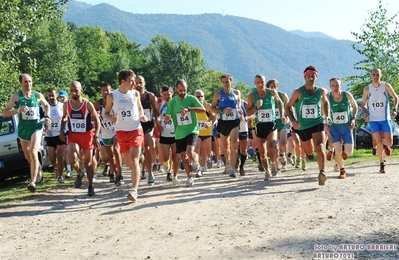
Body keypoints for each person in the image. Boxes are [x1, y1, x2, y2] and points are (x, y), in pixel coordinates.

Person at [2, 74, 51, 192]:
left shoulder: (37, 95)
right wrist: (18, 110)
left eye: (30, 81)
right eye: (25, 82)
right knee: (28, 156)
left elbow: (47, 105)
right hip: (24, 129)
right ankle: (37, 167)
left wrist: (47, 116)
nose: (28, 84)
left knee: (34, 152)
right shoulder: (16, 96)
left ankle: (33, 182)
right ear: (20, 83)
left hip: (36, 127)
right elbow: (4, 113)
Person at [104, 69, 147, 202]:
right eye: (131, 81)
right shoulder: (112, 96)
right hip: (121, 132)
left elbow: (139, 107)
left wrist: (142, 116)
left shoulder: (135, 94)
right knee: (128, 162)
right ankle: (139, 159)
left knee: (133, 161)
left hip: (135, 129)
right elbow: (105, 113)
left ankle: (134, 191)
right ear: (123, 81)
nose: (134, 84)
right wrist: (112, 119)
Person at [286, 65, 330, 186]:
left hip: (317, 122)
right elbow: (288, 107)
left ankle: (322, 172)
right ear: (305, 77)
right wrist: (294, 121)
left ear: (316, 76)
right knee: (309, 151)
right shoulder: (298, 92)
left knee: (320, 147)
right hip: (303, 126)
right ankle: (309, 155)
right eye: (309, 76)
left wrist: (327, 115)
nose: (311, 78)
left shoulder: (321, 91)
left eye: (313, 76)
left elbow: (326, 102)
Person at [60, 81, 101, 196]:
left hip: (87, 135)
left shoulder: (87, 104)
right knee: (72, 157)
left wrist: (96, 135)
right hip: (73, 135)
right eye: (72, 90)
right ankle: (79, 172)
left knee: (88, 163)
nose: (74, 92)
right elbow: (64, 118)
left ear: (81, 90)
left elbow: (97, 120)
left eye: (76, 90)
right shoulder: (66, 105)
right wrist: (61, 130)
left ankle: (90, 185)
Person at [164, 79, 206, 187]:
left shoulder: (191, 98)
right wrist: (167, 118)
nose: (183, 92)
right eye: (180, 90)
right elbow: (167, 116)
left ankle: (195, 158)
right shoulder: (173, 102)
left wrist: (189, 109)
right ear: (176, 89)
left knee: (189, 152)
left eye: (185, 90)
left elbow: (203, 109)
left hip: (192, 130)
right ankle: (189, 177)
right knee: (183, 157)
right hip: (179, 133)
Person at [247, 74, 284, 179]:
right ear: (255, 83)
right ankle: (267, 170)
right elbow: (248, 113)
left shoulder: (271, 92)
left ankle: (273, 164)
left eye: (262, 82)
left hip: (271, 123)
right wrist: (256, 107)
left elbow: (280, 103)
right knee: (262, 153)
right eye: (258, 82)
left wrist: (282, 115)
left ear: (265, 82)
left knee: (272, 145)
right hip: (259, 125)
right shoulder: (252, 96)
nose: (260, 84)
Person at [361, 68, 398, 173]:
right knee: (378, 142)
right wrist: (365, 113)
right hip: (373, 120)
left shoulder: (386, 86)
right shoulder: (367, 89)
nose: (375, 76)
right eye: (374, 74)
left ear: (381, 75)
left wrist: (394, 109)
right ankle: (382, 165)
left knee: (389, 142)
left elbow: (396, 98)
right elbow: (363, 104)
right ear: (371, 76)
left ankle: (387, 146)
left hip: (385, 119)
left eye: (377, 74)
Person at [210, 74, 242, 178]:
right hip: (223, 122)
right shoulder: (218, 94)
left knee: (234, 143)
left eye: (227, 82)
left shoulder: (236, 93)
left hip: (234, 121)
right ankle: (228, 162)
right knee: (225, 147)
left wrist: (239, 109)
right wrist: (222, 110)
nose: (225, 84)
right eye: (223, 82)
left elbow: (239, 103)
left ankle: (233, 168)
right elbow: (212, 109)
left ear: (231, 82)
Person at [327, 77, 358, 178]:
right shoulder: (328, 97)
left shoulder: (347, 95)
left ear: (341, 86)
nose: (335, 88)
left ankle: (345, 153)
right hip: (334, 127)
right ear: (330, 87)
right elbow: (323, 110)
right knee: (338, 150)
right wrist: (326, 121)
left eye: (337, 85)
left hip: (347, 127)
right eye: (333, 86)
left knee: (349, 152)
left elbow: (355, 106)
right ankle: (342, 169)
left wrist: (353, 119)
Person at [94, 83, 123, 185]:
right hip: (105, 132)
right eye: (103, 90)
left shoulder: (116, 101)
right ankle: (115, 174)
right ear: (101, 91)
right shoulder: (98, 103)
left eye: (107, 90)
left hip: (116, 130)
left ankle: (120, 175)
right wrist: (95, 115)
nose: (105, 92)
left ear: (111, 91)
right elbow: (92, 117)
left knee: (116, 150)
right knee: (110, 157)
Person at [135, 75, 159, 185]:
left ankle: (150, 173)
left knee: (148, 147)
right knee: (139, 151)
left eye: (140, 82)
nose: (138, 85)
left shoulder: (150, 96)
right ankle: (139, 170)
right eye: (136, 83)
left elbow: (155, 110)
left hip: (148, 125)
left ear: (144, 83)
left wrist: (157, 120)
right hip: (136, 125)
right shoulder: (131, 96)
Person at [157, 85, 179, 183]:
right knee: (165, 157)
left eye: (168, 94)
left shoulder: (177, 104)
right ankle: (167, 167)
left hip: (176, 134)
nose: (166, 96)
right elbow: (156, 118)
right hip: (164, 134)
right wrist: (158, 126)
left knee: (175, 157)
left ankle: (175, 176)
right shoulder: (160, 105)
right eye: (164, 94)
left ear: (172, 93)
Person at [44, 87, 67, 183]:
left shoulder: (62, 105)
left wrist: (64, 129)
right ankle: (56, 168)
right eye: (49, 96)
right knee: (52, 158)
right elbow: (40, 118)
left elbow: (66, 117)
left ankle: (60, 176)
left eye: (53, 95)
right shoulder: (44, 107)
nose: (51, 97)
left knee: (60, 155)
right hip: (49, 135)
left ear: (56, 95)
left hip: (60, 133)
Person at [266, 79, 290, 170]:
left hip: (282, 123)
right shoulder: (267, 97)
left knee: (283, 144)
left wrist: (287, 117)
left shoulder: (283, 95)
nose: (273, 88)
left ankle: (282, 154)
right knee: (274, 146)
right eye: (271, 87)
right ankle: (276, 166)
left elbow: (289, 107)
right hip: (272, 124)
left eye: (275, 86)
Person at [194, 89, 214, 177]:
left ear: (204, 97)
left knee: (207, 151)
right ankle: (200, 168)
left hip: (207, 132)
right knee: (197, 149)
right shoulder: (192, 107)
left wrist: (210, 123)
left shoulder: (208, 106)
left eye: (201, 96)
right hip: (196, 132)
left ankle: (209, 158)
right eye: (198, 96)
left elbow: (214, 118)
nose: (200, 98)